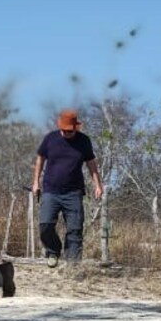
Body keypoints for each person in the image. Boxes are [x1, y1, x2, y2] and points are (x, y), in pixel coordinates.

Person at [31, 109, 104, 267]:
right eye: (64, 130)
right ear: (60, 127)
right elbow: (40, 159)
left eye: (70, 131)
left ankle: (72, 263)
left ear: (75, 127)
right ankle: (53, 251)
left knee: (75, 228)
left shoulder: (84, 141)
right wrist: (36, 182)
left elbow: (91, 164)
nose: (67, 133)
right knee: (45, 224)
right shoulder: (50, 139)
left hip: (73, 192)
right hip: (51, 190)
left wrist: (98, 184)